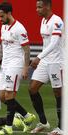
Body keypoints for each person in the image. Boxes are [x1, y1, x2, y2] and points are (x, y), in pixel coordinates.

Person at [0, 2, 36, 135]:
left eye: (1, 16)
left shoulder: (19, 28)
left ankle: (8, 128)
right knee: (2, 97)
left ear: (9, 13)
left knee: (9, 95)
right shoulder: (4, 27)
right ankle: (27, 117)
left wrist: (25, 68)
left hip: (16, 65)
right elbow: (2, 44)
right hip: (5, 65)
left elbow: (27, 49)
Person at [28, 0, 64, 134]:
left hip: (57, 62)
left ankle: (61, 127)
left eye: (39, 7)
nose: (37, 10)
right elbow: (46, 44)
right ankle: (44, 122)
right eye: (36, 7)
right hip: (45, 61)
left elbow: (54, 43)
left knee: (58, 94)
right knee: (32, 89)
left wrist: (38, 57)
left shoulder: (57, 21)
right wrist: (41, 58)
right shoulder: (43, 21)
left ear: (47, 6)